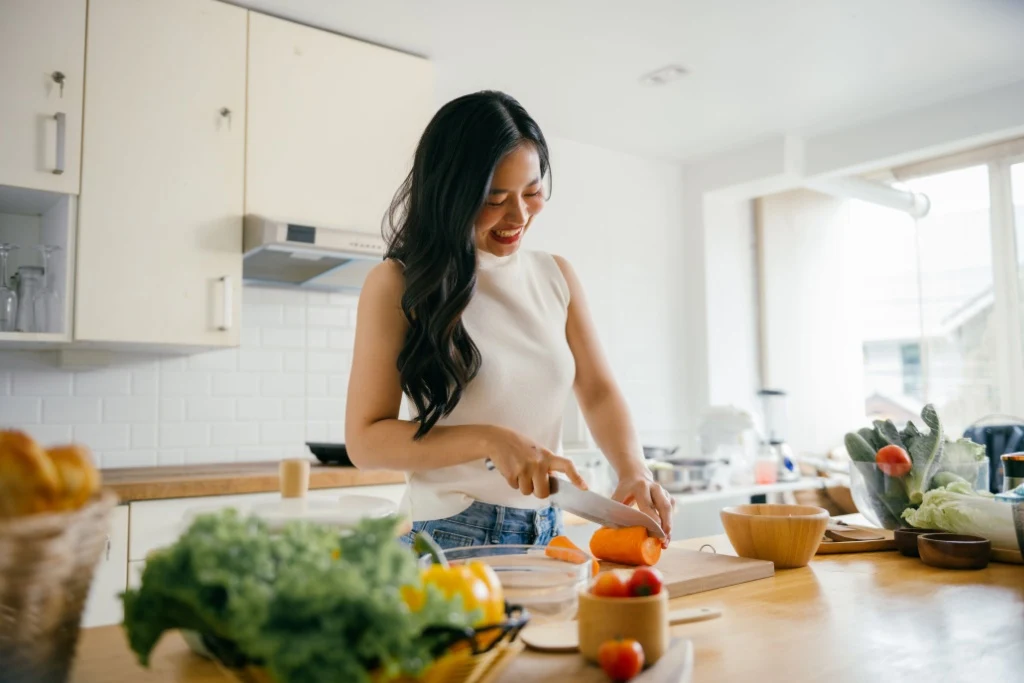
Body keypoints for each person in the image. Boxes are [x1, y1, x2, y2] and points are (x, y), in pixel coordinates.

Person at [345, 90, 674, 549]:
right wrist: (487, 440)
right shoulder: (397, 284)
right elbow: (365, 441)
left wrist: (633, 469)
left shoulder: (555, 275)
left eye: (533, 192)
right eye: (494, 198)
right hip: (451, 534)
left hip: (549, 531)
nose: (518, 215)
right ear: (451, 193)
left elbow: (597, 391)